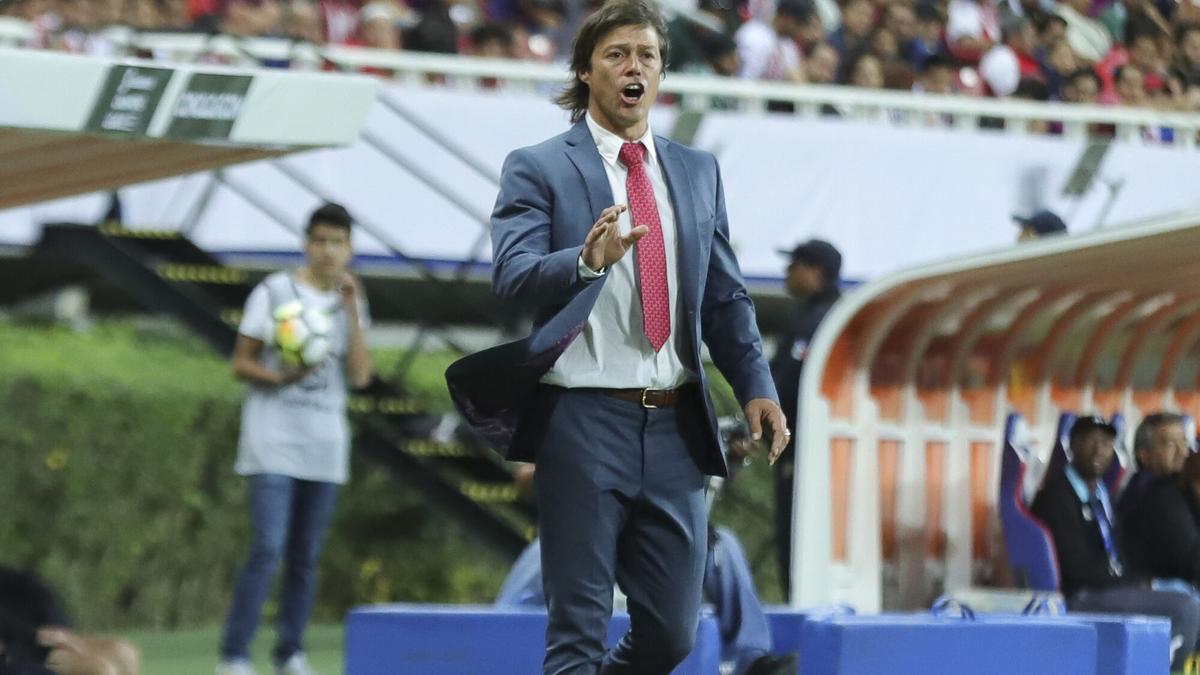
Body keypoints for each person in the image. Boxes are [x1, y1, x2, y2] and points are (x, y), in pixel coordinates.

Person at [444, 1, 789, 672]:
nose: (635, 66)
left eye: (647, 55)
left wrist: (757, 386)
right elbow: (511, 275)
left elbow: (725, 296)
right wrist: (584, 260)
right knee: (578, 628)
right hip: (582, 420)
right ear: (586, 70)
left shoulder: (698, 171)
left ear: (661, 72)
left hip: (676, 427)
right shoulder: (538, 165)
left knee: (673, 635)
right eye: (617, 54)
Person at [216, 203, 373, 675]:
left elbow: (361, 376)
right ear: (306, 243)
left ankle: (290, 652)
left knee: (306, 557)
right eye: (319, 241)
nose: (327, 251)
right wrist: (281, 377)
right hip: (273, 441)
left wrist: (352, 311)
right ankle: (235, 654)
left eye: (337, 243)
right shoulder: (274, 291)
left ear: (349, 249)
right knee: (268, 548)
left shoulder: (350, 299)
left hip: (325, 444)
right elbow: (241, 362)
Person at [1031, 416, 1200, 671]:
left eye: (1106, 443)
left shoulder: (1101, 494)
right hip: (1082, 595)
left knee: (1188, 597)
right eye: (1091, 441)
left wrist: (1142, 581)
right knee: (1186, 608)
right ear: (1073, 445)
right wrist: (1135, 582)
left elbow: (1120, 555)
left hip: (1112, 587)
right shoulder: (1056, 496)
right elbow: (1077, 570)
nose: (1099, 450)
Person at [769, 239, 841, 599]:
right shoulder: (809, 314)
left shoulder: (824, 319)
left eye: (794, 265)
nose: (787, 273)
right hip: (803, 450)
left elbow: (792, 382)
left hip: (808, 452)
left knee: (798, 534)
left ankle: (797, 604)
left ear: (815, 271)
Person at [0, 566, 140, 675]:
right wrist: (36, 636)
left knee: (124, 652)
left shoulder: (12, 578)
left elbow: (43, 598)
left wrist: (61, 632)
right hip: (20, 650)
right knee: (99, 669)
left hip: (44, 639)